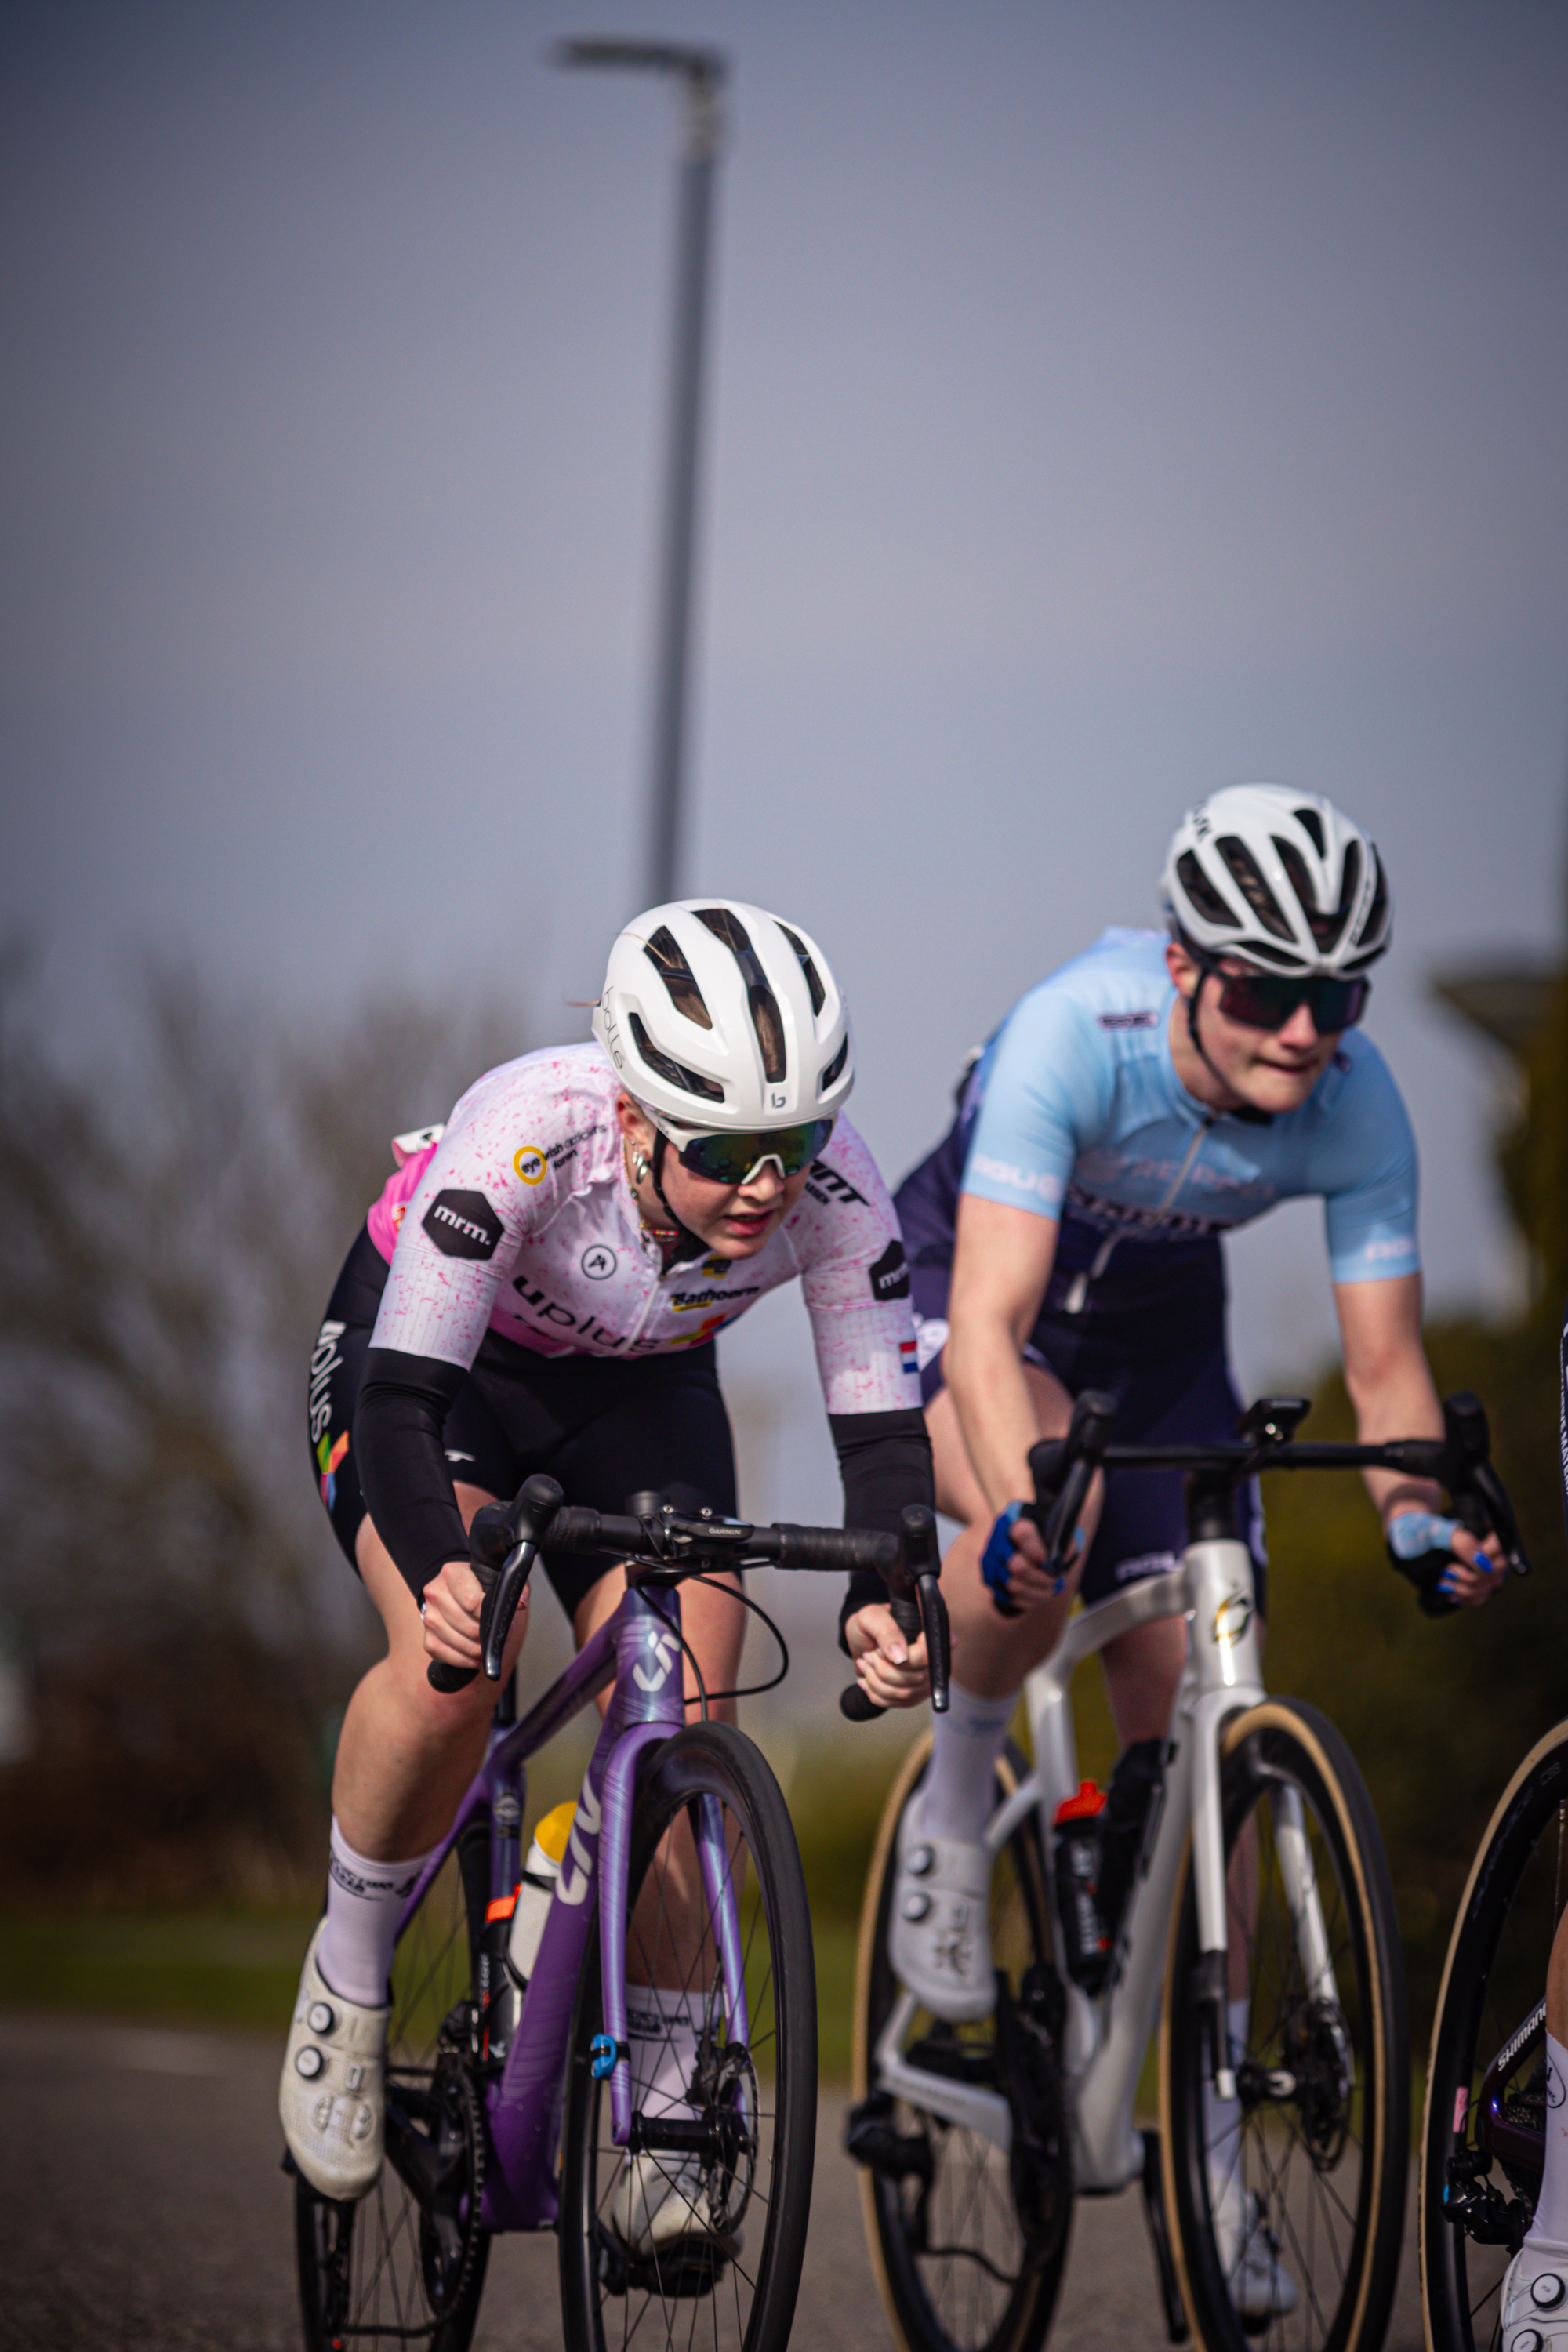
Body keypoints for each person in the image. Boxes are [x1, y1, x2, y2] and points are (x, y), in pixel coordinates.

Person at [875, 783, 1504, 2314]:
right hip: (979, 1303)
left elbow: (1383, 1375)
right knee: (1053, 1522)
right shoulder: (1067, 1037)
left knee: (1207, 1735)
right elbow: (986, 1324)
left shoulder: (1358, 1106)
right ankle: (957, 1812)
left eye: (1335, 996)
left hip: (1162, 1351)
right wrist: (1023, 1499)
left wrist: (1422, 1516)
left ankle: (1207, 2163)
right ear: (1181, 968)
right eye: (1264, 991)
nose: (1302, 1030)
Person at [281, 898, 935, 2245]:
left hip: (643, 1394)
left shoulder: (836, 1185)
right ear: (636, 1117)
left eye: (795, 1143)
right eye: (729, 1150)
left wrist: (889, 1595)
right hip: (447, 1380)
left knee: (693, 1718)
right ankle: (345, 1979)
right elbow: (402, 1404)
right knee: (451, 1664)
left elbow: (881, 1439)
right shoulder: (526, 1132)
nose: (769, 1184)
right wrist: (439, 1569)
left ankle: (677, 2077)